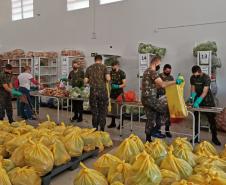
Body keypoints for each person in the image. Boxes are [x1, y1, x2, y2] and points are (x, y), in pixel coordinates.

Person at [141, 56, 183, 142]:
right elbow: (162, 84)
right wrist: (176, 81)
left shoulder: (146, 71)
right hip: (151, 99)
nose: (159, 66)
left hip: (145, 99)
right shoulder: (153, 72)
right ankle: (155, 130)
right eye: (159, 64)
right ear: (156, 63)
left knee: (150, 118)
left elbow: (154, 85)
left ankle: (148, 139)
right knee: (166, 108)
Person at [190, 65, 221, 145]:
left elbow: (205, 92)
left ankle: (214, 137)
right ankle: (195, 137)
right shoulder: (193, 77)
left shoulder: (206, 78)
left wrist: (198, 101)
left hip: (207, 100)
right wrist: (192, 97)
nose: (195, 76)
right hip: (197, 98)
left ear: (200, 72)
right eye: (194, 75)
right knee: (195, 118)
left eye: (196, 75)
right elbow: (193, 89)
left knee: (212, 120)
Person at [84, 55, 111, 131]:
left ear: (94, 60)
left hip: (93, 92)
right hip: (102, 92)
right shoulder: (104, 67)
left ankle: (95, 128)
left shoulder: (89, 68)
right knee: (103, 110)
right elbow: (108, 78)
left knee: (94, 111)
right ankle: (102, 128)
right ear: (101, 60)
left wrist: (91, 81)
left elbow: (85, 81)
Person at [154, 64, 174, 138]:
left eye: (169, 71)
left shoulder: (171, 77)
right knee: (158, 115)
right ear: (164, 70)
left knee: (168, 115)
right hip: (159, 97)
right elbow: (156, 85)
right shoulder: (159, 76)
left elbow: (172, 86)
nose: (168, 73)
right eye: (167, 71)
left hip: (168, 98)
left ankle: (167, 130)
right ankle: (158, 130)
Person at [107, 60, 126, 129]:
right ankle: (113, 123)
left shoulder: (122, 73)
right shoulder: (111, 73)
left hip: (120, 93)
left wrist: (117, 86)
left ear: (117, 65)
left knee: (121, 109)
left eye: (113, 66)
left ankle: (121, 124)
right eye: (112, 66)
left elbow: (124, 84)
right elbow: (109, 81)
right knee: (113, 109)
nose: (112, 67)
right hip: (113, 93)